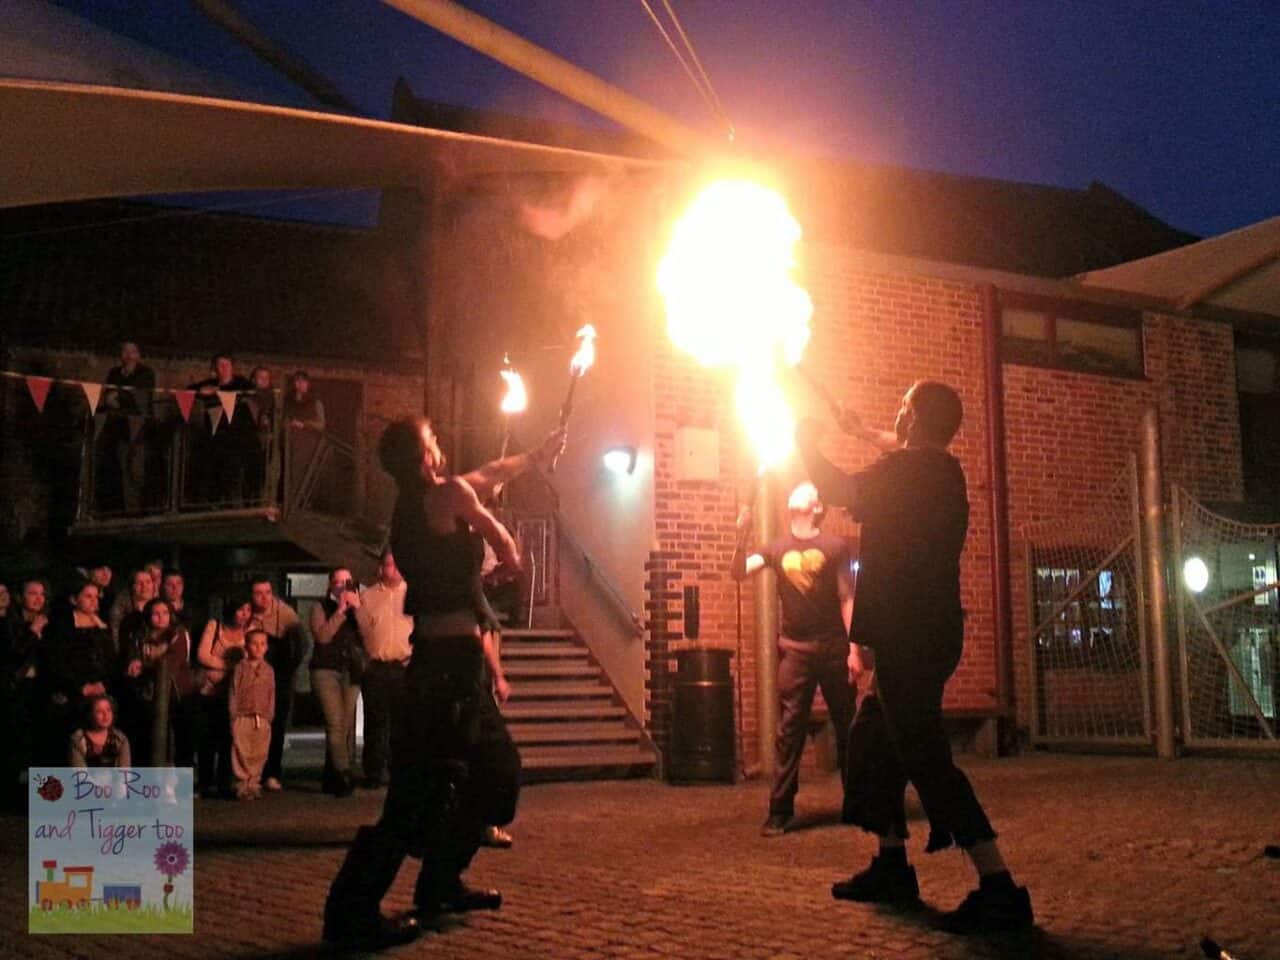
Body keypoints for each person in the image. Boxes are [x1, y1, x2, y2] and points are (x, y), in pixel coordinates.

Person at [796, 381, 1033, 933]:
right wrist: (859, 430)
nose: (895, 415)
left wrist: (804, 442)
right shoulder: (939, 472)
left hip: (911, 637)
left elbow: (839, 486)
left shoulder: (905, 473)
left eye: (902, 408)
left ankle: (998, 886)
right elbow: (899, 454)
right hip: (928, 632)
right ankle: (891, 864)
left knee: (925, 756)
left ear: (917, 419)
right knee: (873, 737)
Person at [322, 418, 561, 949]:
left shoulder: (416, 505)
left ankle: (440, 882)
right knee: (423, 796)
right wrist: (515, 560)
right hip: (446, 668)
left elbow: (493, 471)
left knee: (489, 777)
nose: (442, 446)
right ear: (423, 456)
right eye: (434, 440)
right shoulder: (444, 496)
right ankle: (351, 912)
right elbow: (497, 531)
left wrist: (537, 454)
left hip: (451, 662)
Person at [732, 481, 854, 837]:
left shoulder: (835, 547)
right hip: (796, 651)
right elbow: (739, 571)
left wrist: (854, 648)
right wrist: (742, 535)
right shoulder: (775, 548)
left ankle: (858, 803)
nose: (800, 490)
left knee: (848, 727)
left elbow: (847, 596)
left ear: (817, 507)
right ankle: (780, 810)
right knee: (789, 731)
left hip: (833, 648)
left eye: (809, 490)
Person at [354, 549, 414, 790]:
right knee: (376, 721)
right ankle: (374, 772)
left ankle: (400, 770)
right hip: (377, 667)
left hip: (404, 666)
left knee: (403, 722)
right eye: (389, 565)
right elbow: (363, 630)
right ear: (381, 568)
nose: (394, 570)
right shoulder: (367, 597)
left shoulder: (413, 594)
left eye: (398, 565)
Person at [42, 581, 114, 763]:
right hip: (70, 692)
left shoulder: (102, 626)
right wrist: (80, 687)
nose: (93, 601)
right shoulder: (61, 627)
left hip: (99, 692)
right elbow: (56, 662)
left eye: (95, 597)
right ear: (75, 599)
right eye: (88, 596)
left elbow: (110, 660)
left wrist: (102, 684)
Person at [121, 597, 197, 767]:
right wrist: (134, 661)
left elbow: (172, 661)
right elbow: (132, 656)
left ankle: (182, 787)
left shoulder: (179, 634)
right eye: (155, 613)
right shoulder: (138, 635)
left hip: (178, 695)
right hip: (147, 695)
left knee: (181, 741)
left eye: (164, 613)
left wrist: (144, 663)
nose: (161, 617)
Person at [310, 567, 365, 797]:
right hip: (326, 670)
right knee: (335, 723)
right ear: (330, 585)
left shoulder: (358, 608)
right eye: (339, 581)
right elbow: (322, 636)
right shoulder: (319, 607)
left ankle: (334, 775)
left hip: (351, 670)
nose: (343, 586)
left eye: (348, 581)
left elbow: (369, 634)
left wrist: (359, 610)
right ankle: (343, 774)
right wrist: (341, 610)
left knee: (347, 724)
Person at [249, 576, 305, 791]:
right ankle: (252, 773)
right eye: (258, 593)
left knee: (277, 725)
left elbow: (300, 643)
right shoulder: (247, 614)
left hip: (279, 676)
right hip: (253, 678)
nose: (263, 598)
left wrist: (288, 670)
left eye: (267, 592)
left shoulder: (286, 614)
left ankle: (272, 772)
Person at [196, 598, 251, 799]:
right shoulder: (215, 626)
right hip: (210, 691)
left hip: (234, 694)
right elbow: (203, 654)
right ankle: (204, 782)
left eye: (247, 609)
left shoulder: (249, 631)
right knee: (207, 738)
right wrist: (228, 666)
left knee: (229, 738)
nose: (244, 614)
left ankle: (224, 783)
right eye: (240, 609)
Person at [2, 579, 49, 807]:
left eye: (42, 594)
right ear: (21, 596)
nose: (38, 598)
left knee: (38, 739)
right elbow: (13, 653)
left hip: (40, 688)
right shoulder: (11, 622)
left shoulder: (47, 622)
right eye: (32, 593)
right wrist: (32, 632)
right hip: (16, 687)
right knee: (15, 739)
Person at [188, 353, 254, 504]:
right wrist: (201, 391)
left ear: (232, 367)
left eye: (226, 365)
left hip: (236, 438)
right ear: (215, 368)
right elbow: (190, 390)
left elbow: (251, 390)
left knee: (233, 473)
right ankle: (212, 503)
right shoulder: (211, 382)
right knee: (213, 472)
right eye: (220, 365)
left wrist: (218, 392)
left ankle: (233, 505)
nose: (223, 368)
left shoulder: (241, 382)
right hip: (214, 437)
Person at [102, 341, 157, 514]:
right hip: (120, 429)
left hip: (139, 430)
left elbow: (139, 397)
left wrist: (120, 396)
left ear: (138, 355)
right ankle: (129, 512)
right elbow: (108, 399)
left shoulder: (146, 373)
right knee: (123, 471)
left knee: (138, 471)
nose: (128, 355)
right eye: (125, 351)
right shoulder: (114, 373)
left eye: (132, 351)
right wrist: (121, 397)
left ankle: (143, 510)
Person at [230, 629, 275, 800]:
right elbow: (234, 691)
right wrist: (233, 715)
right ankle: (242, 784)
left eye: (262, 644)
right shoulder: (240, 668)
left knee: (259, 752)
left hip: (262, 717)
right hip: (243, 715)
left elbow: (272, 692)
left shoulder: (269, 670)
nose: (258, 648)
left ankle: (254, 783)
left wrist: (269, 715)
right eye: (254, 644)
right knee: (241, 750)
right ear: (247, 646)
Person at [69, 694, 131, 768]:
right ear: (89, 715)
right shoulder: (78, 740)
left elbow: (125, 772)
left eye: (108, 710)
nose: (106, 715)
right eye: (99, 711)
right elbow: (79, 774)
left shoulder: (120, 739)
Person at [110, 568, 156, 658]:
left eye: (148, 582)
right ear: (132, 587)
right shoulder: (120, 609)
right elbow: (116, 641)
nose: (144, 586)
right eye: (139, 583)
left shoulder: (160, 606)